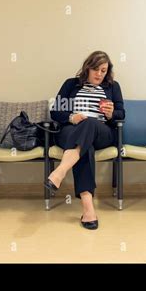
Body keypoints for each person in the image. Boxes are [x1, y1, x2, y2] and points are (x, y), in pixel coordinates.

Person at [48, 51, 125, 230]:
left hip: (101, 132)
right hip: (71, 130)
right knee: (85, 147)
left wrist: (111, 114)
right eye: (95, 69)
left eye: (103, 70)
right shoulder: (71, 84)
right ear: (87, 68)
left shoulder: (113, 87)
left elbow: (122, 115)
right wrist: (71, 117)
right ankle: (88, 209)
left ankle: (59, 172)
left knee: (90, 123)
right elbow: (55, 112)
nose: (99, 74)